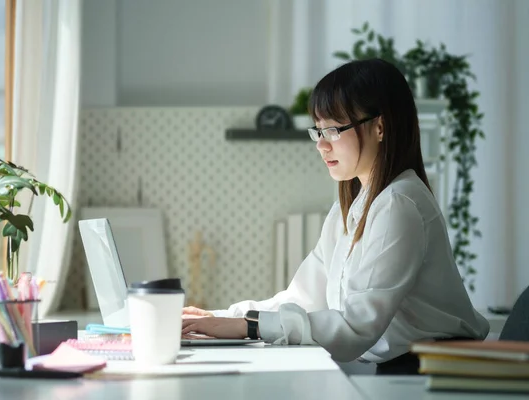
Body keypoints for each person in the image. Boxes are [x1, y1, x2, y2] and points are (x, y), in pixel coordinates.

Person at [181, 58, 489, 375]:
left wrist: (248, 328)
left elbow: (356, 327)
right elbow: (303, 297)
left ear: (379, 127)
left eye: (333, 129)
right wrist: (223, 318)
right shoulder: (354, 204)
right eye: (318, 131)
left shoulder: (400, 204)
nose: (322, 145)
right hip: (402, 368)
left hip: (436, 373)